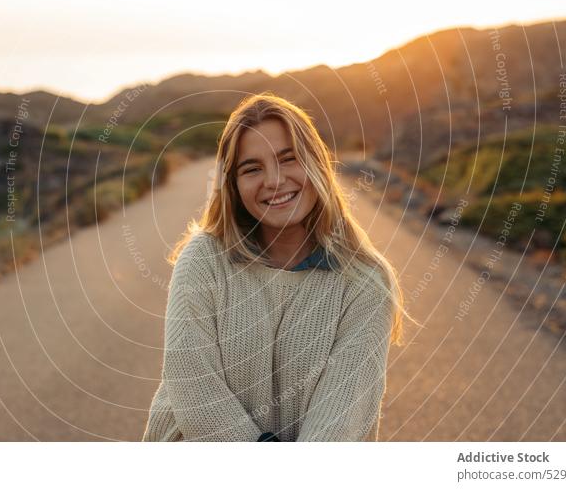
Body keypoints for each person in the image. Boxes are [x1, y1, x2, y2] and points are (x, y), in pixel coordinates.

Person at [142, 92, 416, 441]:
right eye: (252, 168)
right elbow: (191, 381)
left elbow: (340, 422)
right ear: (233, 185)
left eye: (288, 159)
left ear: (317, 163)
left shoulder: (365, 284)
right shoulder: (203, 259)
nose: (273, 180)